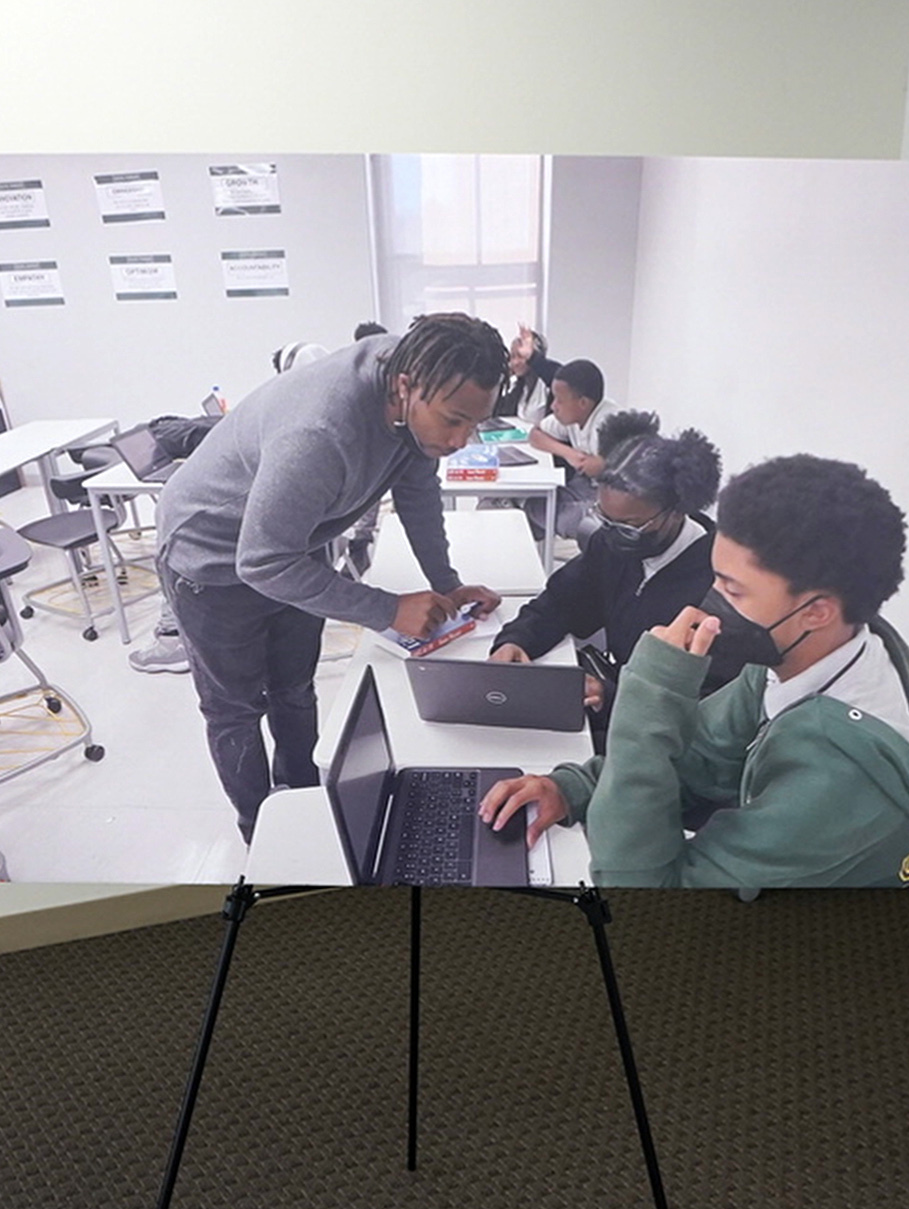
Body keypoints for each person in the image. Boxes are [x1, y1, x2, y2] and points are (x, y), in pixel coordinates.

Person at [478, 455, 909, 891]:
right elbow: (699, 757)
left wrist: (649, 691)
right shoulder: (795, 658)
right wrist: (571, 787)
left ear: (817, 612)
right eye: (716, 577)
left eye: (733, 589)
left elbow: (644, 891)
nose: (709, 600)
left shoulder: (841, 781)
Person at [154, 315, 505, 838]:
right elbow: (261, 562)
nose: (461, 440)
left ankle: (303, 805)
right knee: (236, 710)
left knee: (294, 690)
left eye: (475, 424)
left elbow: (417, 491)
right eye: (454, 421)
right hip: (210, 561)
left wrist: (446, 581)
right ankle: (264, 831)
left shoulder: (417, 376)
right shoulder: (319, 431)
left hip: (294, 543)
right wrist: (386, 609)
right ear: (406, 386)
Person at [487, 412, 755, 738]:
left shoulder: (718, 589)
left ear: (677, 510)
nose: (612, 533)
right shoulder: (612, 545)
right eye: (604, 517)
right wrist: (518, 639)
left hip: (658, 735)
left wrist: (614, 697)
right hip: (618, 696)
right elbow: (562, 601)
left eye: (629, 525)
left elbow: (709, 706)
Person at [523, 357, 613, 540]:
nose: (553, 406)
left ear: (582, 403)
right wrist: (570, 454)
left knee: (542, 513)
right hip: (583, 486)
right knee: (535, 507)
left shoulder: (607, 426)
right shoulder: (573, 416)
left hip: (608, 501)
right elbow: (535, 435)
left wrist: (601, 465)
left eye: (559, 400)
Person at [490, 325, 555, 423]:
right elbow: (496, 411)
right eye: (512, 356)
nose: (514, 362)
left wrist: (533, 358)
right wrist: (503, 379)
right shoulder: (519, 386)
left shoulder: (548, 386)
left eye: (520, 356)